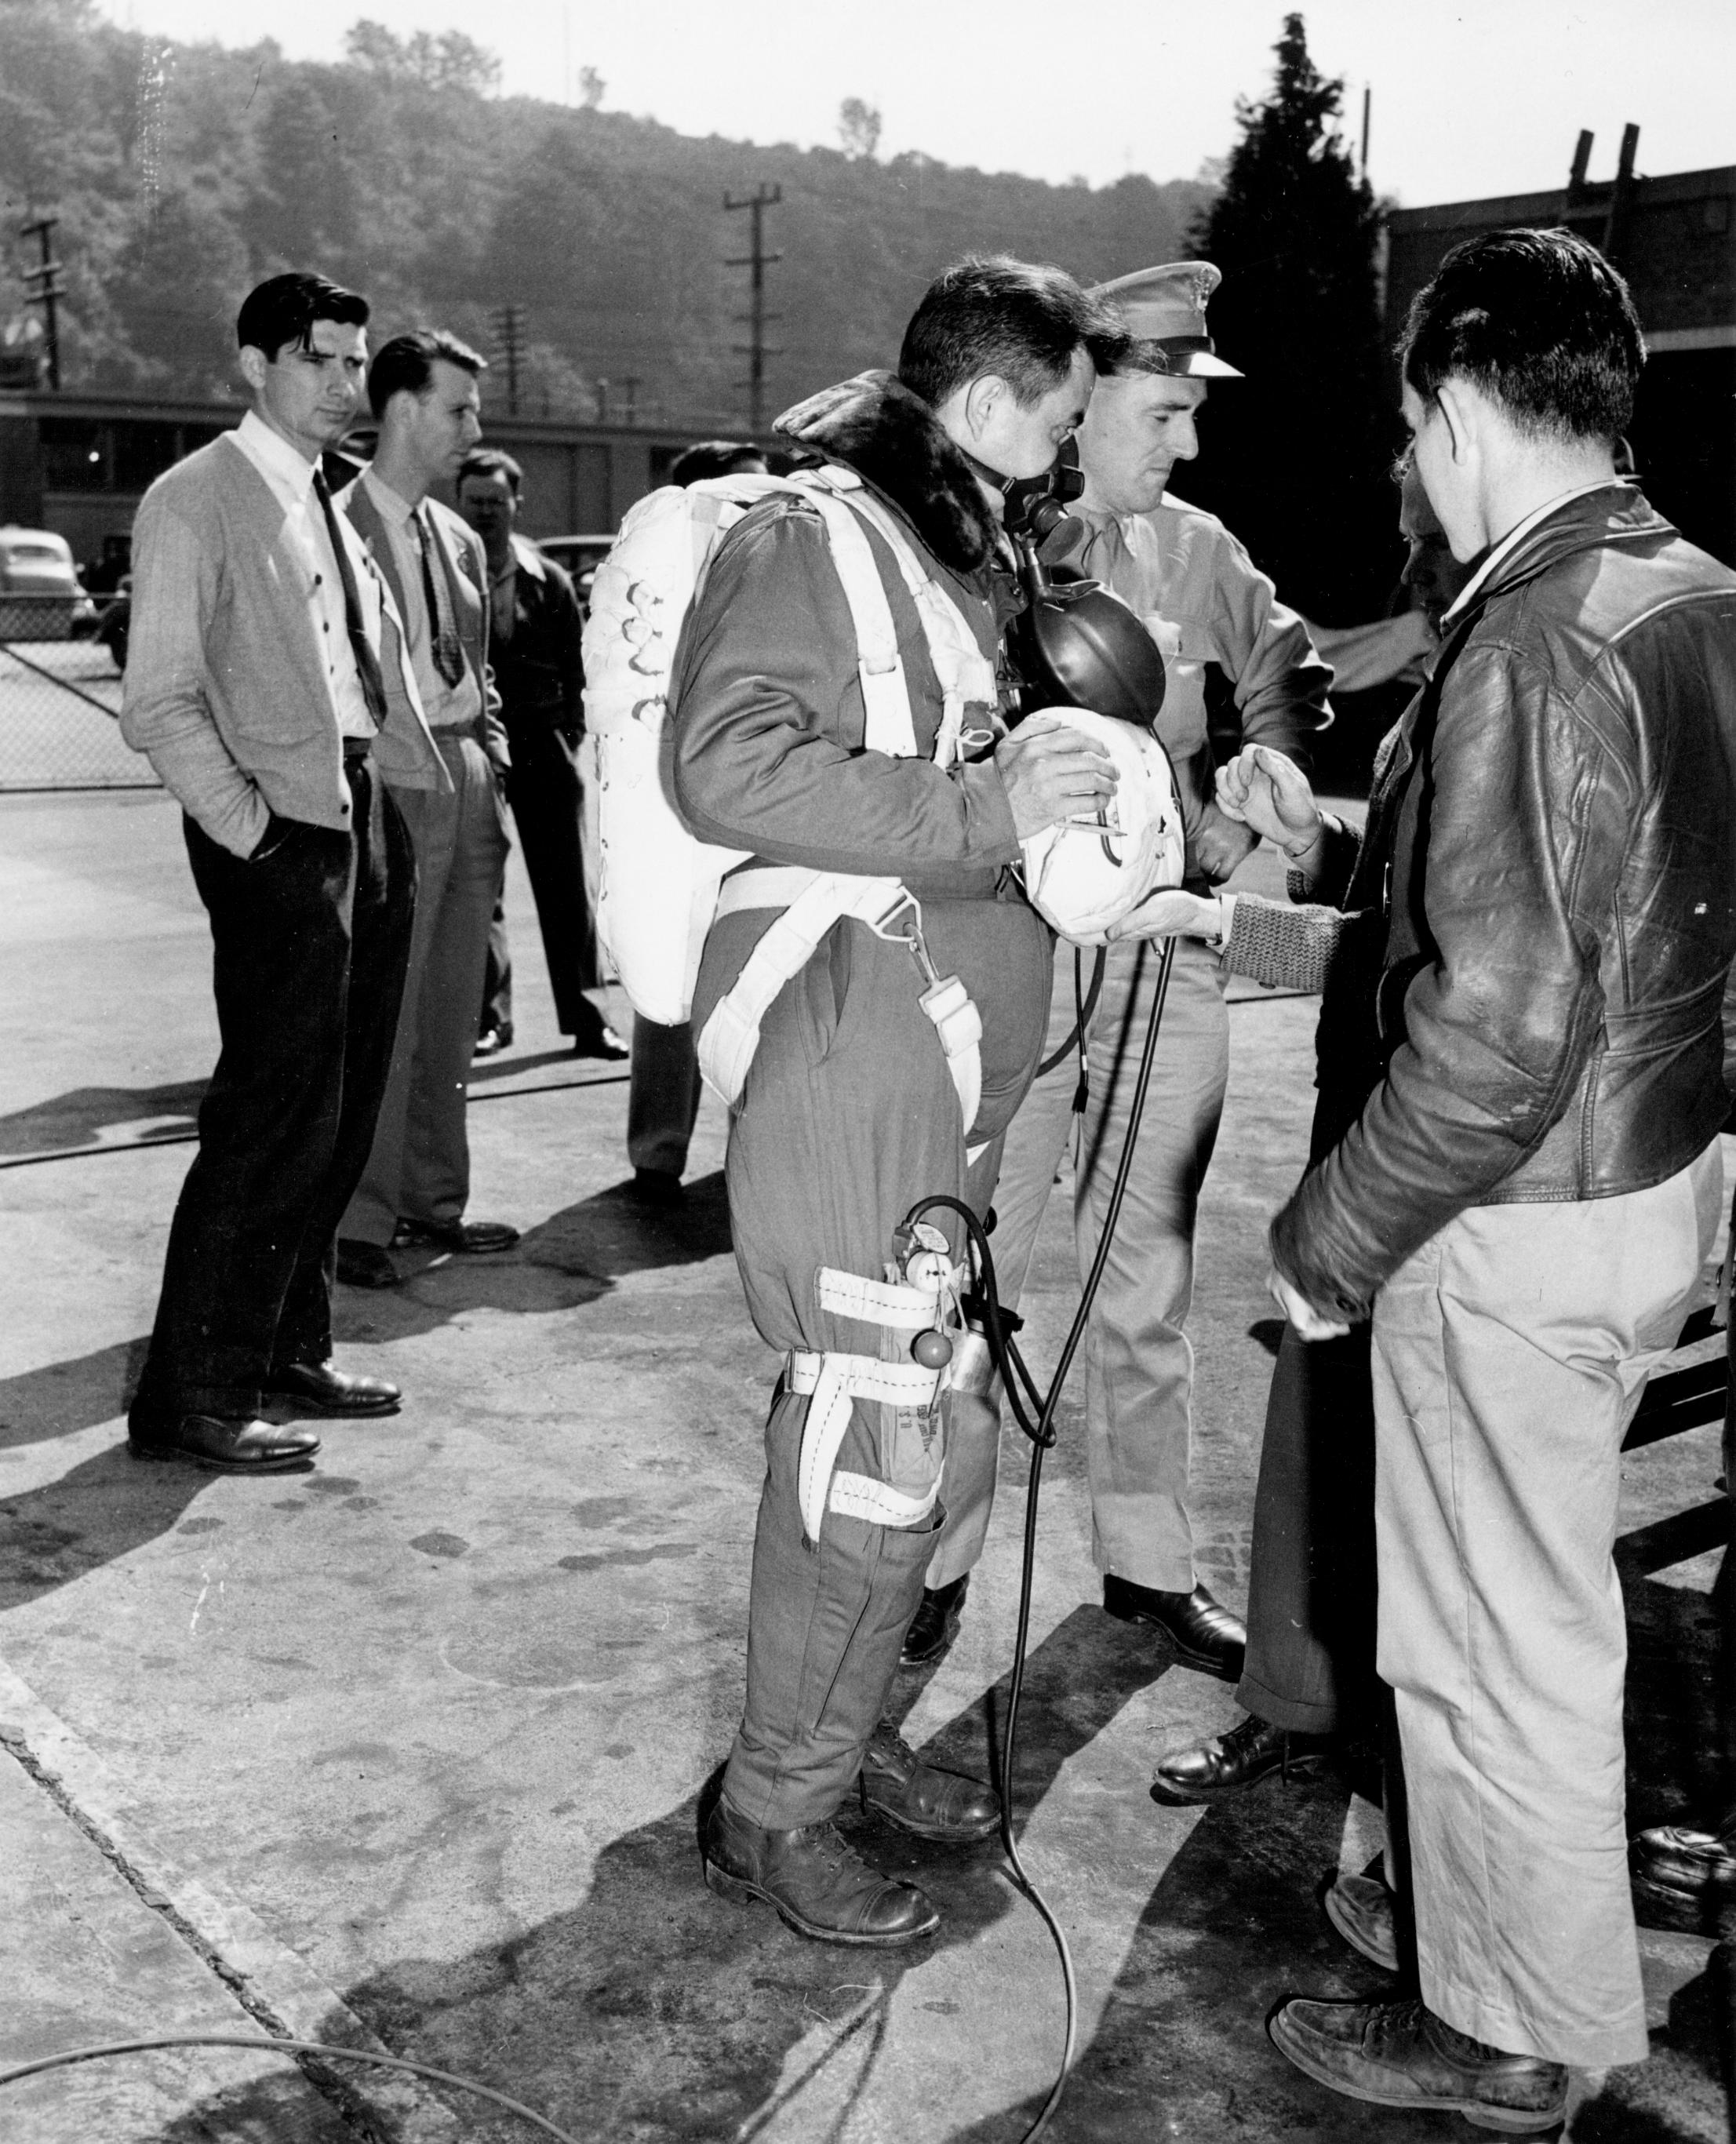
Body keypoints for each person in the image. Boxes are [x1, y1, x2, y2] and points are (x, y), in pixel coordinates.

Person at [1258, 228, 1736, 2131]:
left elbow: (1493, 1036)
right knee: (1541, 1618)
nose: (1412, 466)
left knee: (1483, 1647)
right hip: (1650, 1183)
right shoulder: (1688, 587)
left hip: (1512, 1215)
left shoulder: (1532, 632)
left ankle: (1508, 2032)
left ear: (1455, 410)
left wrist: (1324, 1246)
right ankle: (1496, 1949)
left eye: (1411, 425)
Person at [678, 257, 1126, 1946]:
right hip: (849, 1036)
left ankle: (837, 1739)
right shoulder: (811, 535)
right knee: (868, 1442)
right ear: (995, 400)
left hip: (930, 1059)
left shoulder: (960, 555)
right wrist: (976, 814)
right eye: (1064, 418)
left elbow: (984, 797)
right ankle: (772, 1810)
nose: (1069, 455)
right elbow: (722, 758)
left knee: (917, 1454)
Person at [903, 260, 1332, 1682]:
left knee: (1147, 1267)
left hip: (1176, 961)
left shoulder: (1201, 553)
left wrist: (1272, 760)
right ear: (1076, 405)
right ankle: (927, 1562)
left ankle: (1147, 1563)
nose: (1183, 441)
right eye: (1161, 411)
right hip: (1024, 963)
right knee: (981, 1265)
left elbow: (1286, 666)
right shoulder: (970, 548)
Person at [1150, 461, 1477, 1814]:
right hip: (1376, 1133)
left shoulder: (1514, 665)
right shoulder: (1464, 658)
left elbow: (1455, 977)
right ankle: (1300, 1709)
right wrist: (1287, 880)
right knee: (1309, 1445)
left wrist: (1243, 928)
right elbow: (1391, 930)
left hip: (1437, 1158)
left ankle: (1399, 1782)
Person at [119, 271, 438, 1472]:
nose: (347, 386)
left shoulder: (324, 495)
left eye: (358, 364)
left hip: (362, 814)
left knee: (341, 1110)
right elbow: (157, 698)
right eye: (321, 360)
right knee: (266, 1118)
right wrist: (253, 833)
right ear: (255, 365)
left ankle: (287, 1345)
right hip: (281, 836)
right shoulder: (195, 499)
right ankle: (192, 1394)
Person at [336, 332, 519, 1289]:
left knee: (453, 1008)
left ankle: (431, 1202)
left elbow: (474, 670)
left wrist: (489, 760)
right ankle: (361, 1222)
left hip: (465, 777)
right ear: (402, 410)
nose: (473, 429)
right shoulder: (333, 528)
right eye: (458, 409)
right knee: (387, 1009)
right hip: (389, 783)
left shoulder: (454, 535)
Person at [624, 439, 773, 1210]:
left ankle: (761, 1146)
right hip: (678, 811)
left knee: (771, 972)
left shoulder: (785, 574)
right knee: (669, 980)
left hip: (766, 804)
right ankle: (657, 1151)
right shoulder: (654, 587)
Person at [455, 448, 624, 1063]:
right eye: (475, 501)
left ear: (515, 504)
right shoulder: (445, 569)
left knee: (567, 892)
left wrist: (570, 733)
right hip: (477, 749)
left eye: (496, 502)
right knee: (480, 889)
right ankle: (489, 1019)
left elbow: (581, 664)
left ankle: (588, 1019)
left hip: (544, 745)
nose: (485, 514)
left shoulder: (545, 577)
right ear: (459, 501)